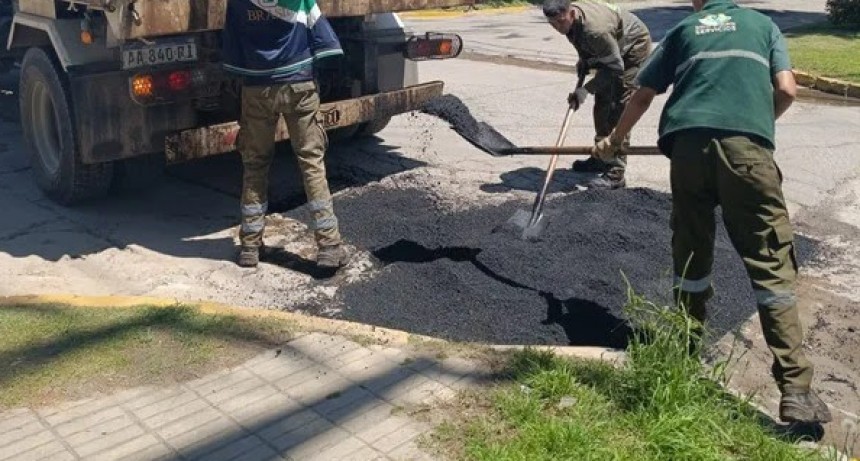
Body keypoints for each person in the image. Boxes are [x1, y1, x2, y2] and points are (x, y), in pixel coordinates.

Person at [592, 0, 831, 423]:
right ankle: (795, 389)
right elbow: (787, 89)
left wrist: (613, 141)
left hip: (687, 151)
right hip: (747, 155)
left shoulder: (685, 30)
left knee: (691, 255)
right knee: (770, 264)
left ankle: (685, 355)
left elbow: (643, 95)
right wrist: (756, 125)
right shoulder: (762, 25)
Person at [222, 0, 349, 269]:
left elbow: (232, 45)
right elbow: (323, 38)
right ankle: (329, 246)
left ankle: (250, 246)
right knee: (311, 163)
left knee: (255, 164)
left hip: (257, 87)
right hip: (299, 83)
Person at [542, 0, 652, 189]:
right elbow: (582, 40)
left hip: (632, 47)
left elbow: (615, 68)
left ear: (572, 13)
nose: (557, 27)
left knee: (617, 106)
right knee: (602, 102)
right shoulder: (571, 22)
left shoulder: (595, 31)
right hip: (611, 44)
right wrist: (584, 61)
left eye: (560, 21)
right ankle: (602, 156)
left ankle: (616, 172)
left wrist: (586, 89)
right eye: (552, 24)